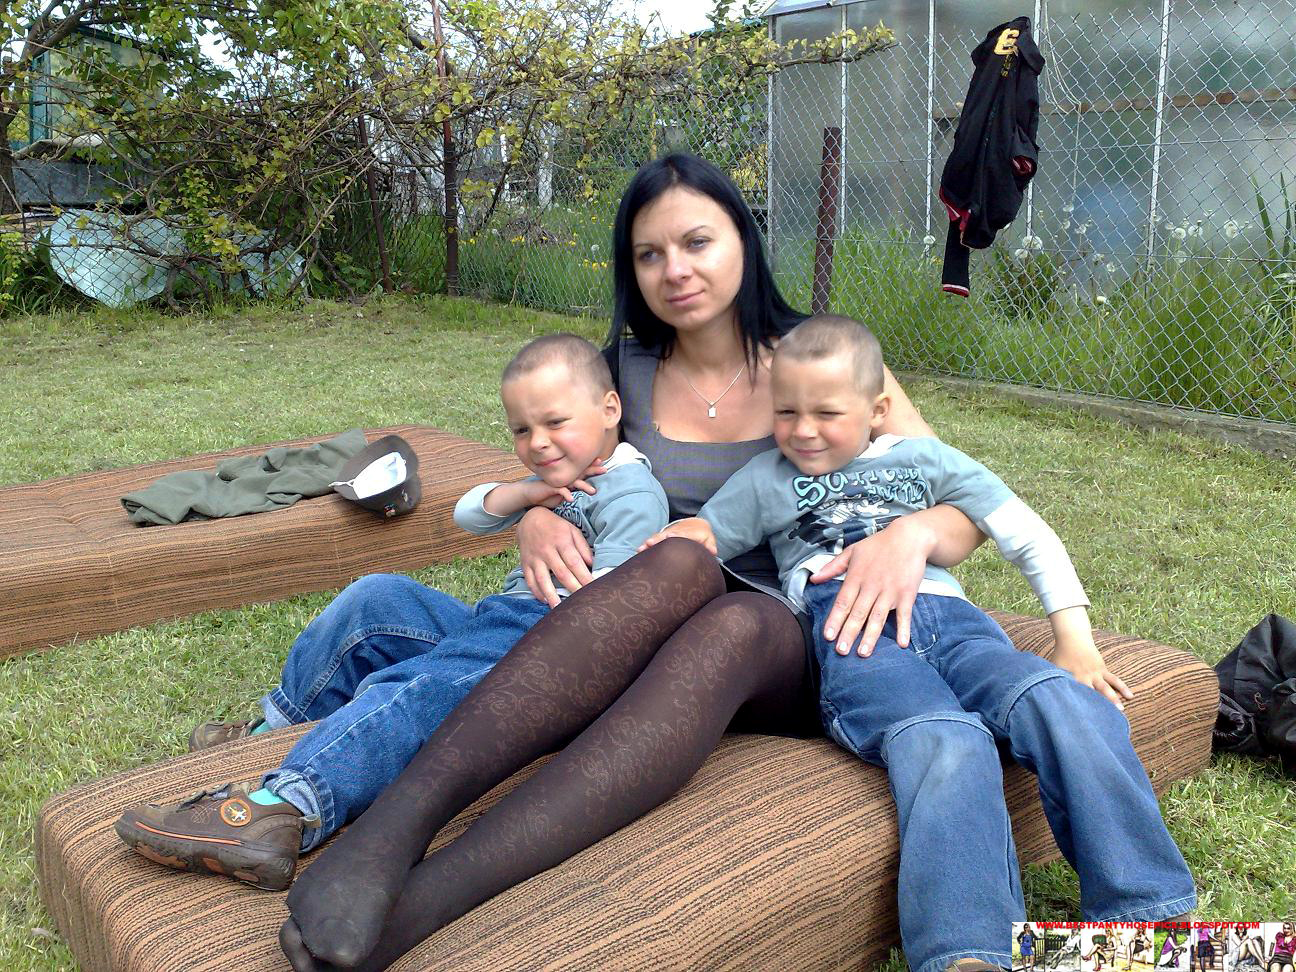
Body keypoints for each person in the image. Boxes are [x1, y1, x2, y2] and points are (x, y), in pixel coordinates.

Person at [263, 152, 992, 972]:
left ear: (743, 240)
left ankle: (422, 904)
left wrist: (910, 536)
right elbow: (570, 473)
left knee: (729, 607)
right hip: (643, 620)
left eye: (697, 242)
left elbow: (968, 504)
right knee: (679, 563)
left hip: (798, 635)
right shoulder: (624, 373)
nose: (675, 269)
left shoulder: (822, 362)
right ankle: (390, 835)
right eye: (650, 253)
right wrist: (537, 517)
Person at [648, 315, 1196, 966]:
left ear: (877, 410)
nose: (803, 430)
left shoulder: (926, 462)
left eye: (827, 413)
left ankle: (1149, 918)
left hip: (957, 628)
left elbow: (1025, 532)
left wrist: (1073, 640)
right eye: (786, 411)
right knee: (944, 738)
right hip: (858, 644)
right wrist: (658, 536)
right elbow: (705, 536)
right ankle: (969, 950)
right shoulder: (766, 480)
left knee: (1061, 699)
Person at [114, 333, 669, 890]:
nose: (538, 443)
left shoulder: (630, 494)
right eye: (521, 430)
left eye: (554, 422)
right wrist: (525, 499)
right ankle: (273, 728)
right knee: (378, 599)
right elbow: (468, 514)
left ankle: (282, 809)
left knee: (419, 686)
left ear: (609, 409)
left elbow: (610, 615)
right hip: (502, 620)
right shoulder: (560, 476)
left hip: (553, 646)